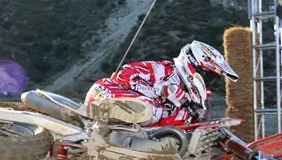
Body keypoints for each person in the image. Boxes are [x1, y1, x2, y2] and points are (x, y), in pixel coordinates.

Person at [84, 40, 239, 127]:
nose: (207, 83)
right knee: (152, 109)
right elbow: (126, 73)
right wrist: (158, 91)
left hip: (134, 134)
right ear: (195, 67)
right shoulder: (165, 70)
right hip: (105, 93)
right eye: (208, 76)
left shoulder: (193, 104)